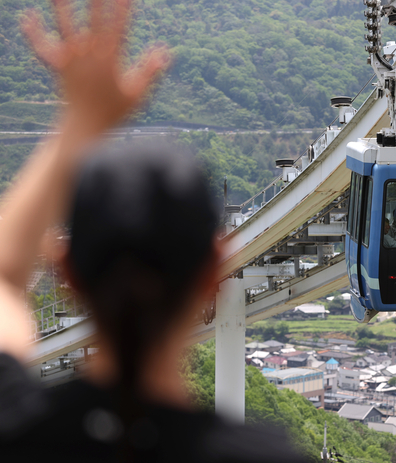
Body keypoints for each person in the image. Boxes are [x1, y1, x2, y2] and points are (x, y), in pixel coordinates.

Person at [0, 1, 303, 462]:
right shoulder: (268, 456)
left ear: (67, 272)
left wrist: (80, 120)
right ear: (213, 275)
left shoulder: (19, 428)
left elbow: (4, 278)